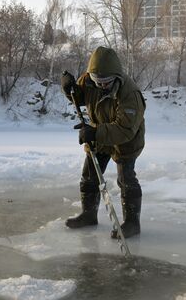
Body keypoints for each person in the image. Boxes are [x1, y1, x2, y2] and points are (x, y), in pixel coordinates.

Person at [60, 46, 146, 239]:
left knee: (126, 180)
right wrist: (69, 89)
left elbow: (124, 129)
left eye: (106, 82)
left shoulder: (130, 94)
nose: (101, 86)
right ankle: (88, 215)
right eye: (97, 81)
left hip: (126, 139)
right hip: (98, 134)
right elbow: (79, 97)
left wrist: (95, 132)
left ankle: (132, 222)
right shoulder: (89, 79)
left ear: (116, 76)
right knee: (89, 176)